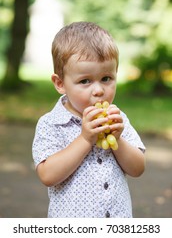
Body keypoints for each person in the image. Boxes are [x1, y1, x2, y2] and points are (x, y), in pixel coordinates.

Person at [32, 21, 145, 218]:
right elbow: (47, 175)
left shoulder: (118, 119)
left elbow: (138, 169)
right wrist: (85, 139)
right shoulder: (51, 124)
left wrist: (118, 139)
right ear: (60, 83)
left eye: (106, 78)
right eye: (85, 81)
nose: (99, 90)